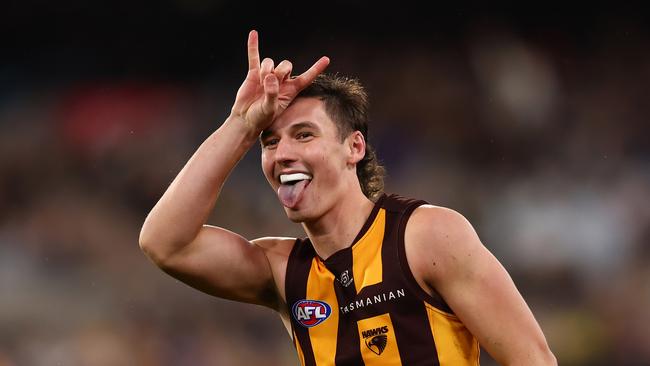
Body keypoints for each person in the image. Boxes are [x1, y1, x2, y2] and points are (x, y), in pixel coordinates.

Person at [139, 30, 557, 365]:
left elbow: (532, 359)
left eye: (304, 135)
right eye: (270, 142)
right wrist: (241, 125)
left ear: (354, 148)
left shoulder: (427, 236)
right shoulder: (284, 271)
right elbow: (164, 243)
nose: (283, 153)